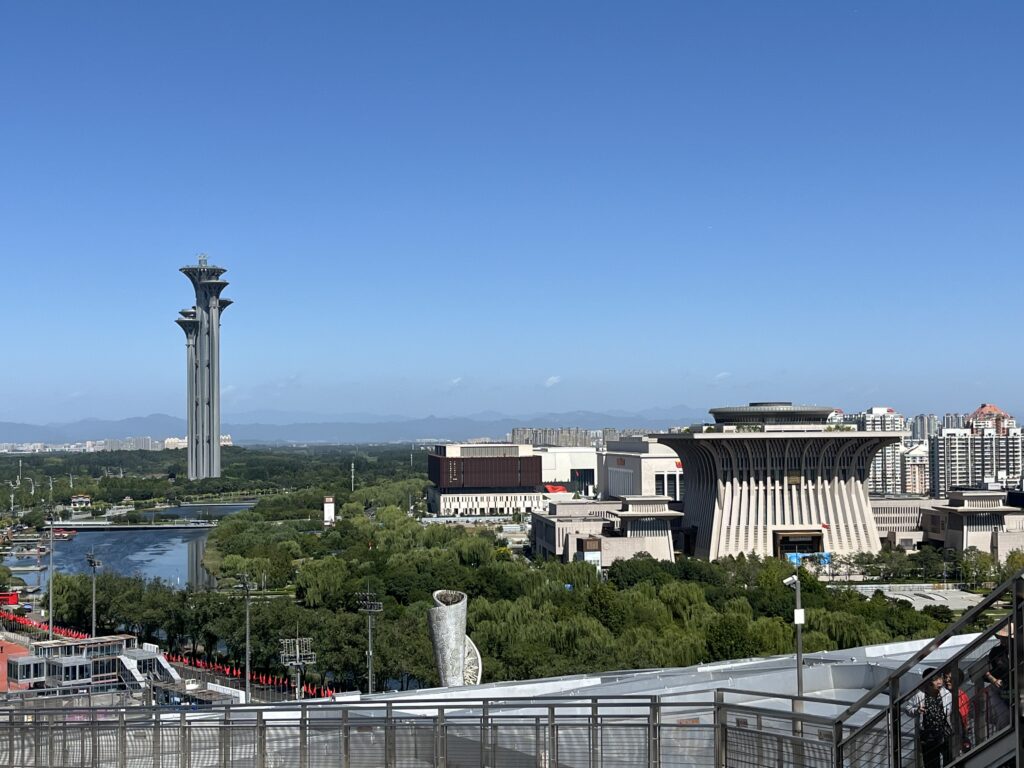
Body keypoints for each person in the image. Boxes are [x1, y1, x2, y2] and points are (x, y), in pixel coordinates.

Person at [904, 667, 952, 768]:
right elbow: (908, 708)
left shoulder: (946, 694)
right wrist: (917, 710)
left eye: (940, 678)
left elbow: (949, 712)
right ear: (928, 682)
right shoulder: (920, 694)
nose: (939, 682)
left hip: (944, 731)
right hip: (928, 734)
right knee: (931, 763)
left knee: (950, 759)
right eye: (935, 680)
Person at [985, 624, 1013, 732]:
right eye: (1001, 637)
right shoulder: (996, 652)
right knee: (1005, 716)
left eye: (1005, 638)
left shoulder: (1019, 649)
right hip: (1000, 690)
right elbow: (985, 670)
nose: (1002, 640)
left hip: (1015, 689)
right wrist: (993, 679)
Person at [944, 671, 972, 752]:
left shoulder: (963, 695)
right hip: (948, 734)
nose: (947, 680)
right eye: (945, 677)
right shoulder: (942, 695)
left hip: (961, 732)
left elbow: (965, 713)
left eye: (950, 678)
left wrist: (966, 726)